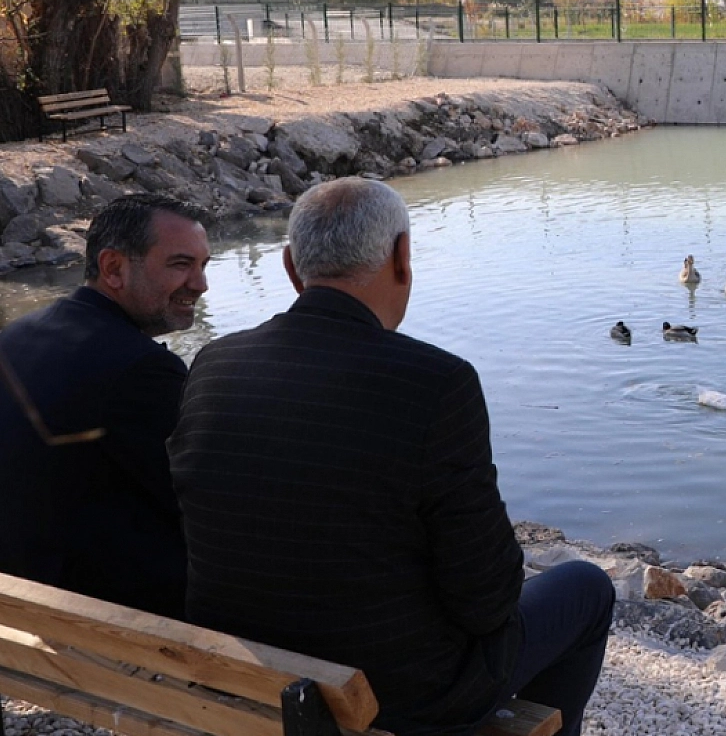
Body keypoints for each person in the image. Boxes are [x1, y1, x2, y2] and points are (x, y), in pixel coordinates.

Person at [170, 177, 612, 736]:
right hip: (397, 697)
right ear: (402, 258)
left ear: (290, 267)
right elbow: (486, 600)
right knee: (585, 589)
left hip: (252, 672)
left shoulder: (212, 366)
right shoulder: (435, 382)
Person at [0, 193, 211, 618]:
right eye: (180, 264)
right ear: (113, 268)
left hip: (24, 601)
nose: (201, 284)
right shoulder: (141, 369)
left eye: (203, 265)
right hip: (114, 622)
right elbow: (206, 503)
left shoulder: (17, 336)